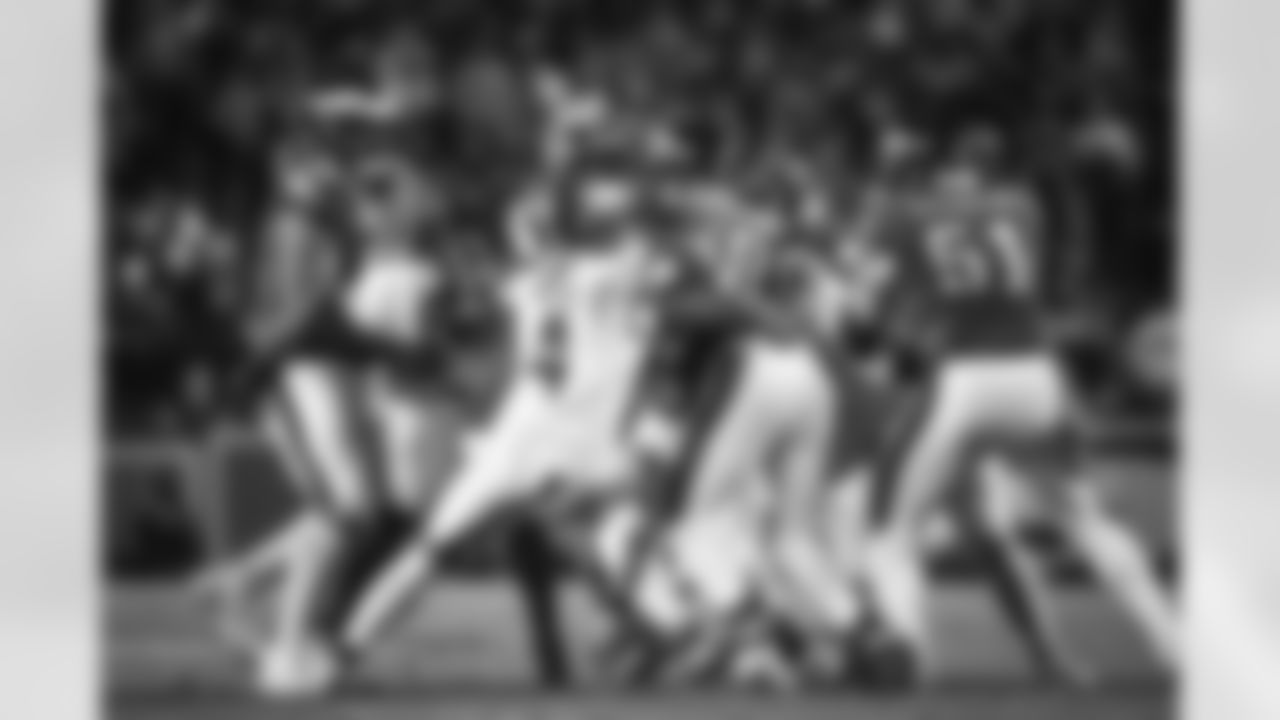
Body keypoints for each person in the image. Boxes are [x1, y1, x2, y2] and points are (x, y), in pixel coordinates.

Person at [855, 130, 1179, 686]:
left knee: (890, 536)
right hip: (1035, 373)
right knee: (1086, 521)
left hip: (963, 377)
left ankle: (905, 649)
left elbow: (868, 300)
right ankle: (1177, 645)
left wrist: (886, 187)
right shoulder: (1024, 205)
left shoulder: (907, 214)